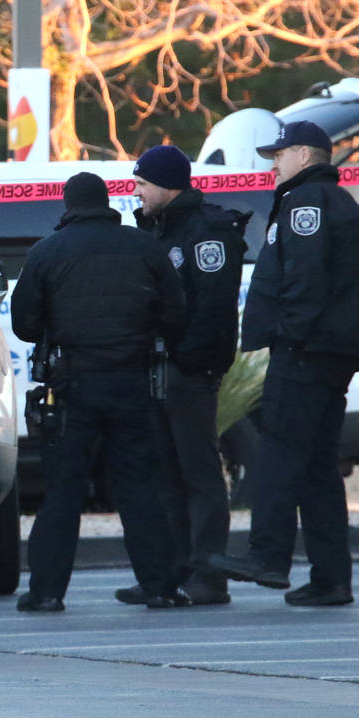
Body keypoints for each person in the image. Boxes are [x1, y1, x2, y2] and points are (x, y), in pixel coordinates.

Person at [207, 121, 359, 606]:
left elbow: (304, 281)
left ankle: (268, 556)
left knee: (281, 451)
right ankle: (331, 578)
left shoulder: (307, 205)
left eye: (279, 154)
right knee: (318, 466)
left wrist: (291, 338)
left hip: (307, 353)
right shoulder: (335, 203)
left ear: (304, 155)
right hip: (329, 354)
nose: (272, 164)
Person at [10, 171, 188, 612]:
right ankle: (160, 586)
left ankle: (47, 591)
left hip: (71, 387)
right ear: (106, 202)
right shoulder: (143, 246)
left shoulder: (47, 251)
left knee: (64, 491)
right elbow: (176, 313)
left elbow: (24, 324)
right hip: (132, 382)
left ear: (68, 204)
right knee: (138, 486)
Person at [114, 145, 248, 607]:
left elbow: (212, 307)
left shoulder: (206, 231)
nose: (137, 193)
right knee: (163, 474)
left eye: (143, 185)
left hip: (188, 371)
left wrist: (190, 359)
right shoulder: (154, 229)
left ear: (170, 185)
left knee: (198, 472)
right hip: (156, 368)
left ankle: (208, 576)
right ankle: (167, 575)